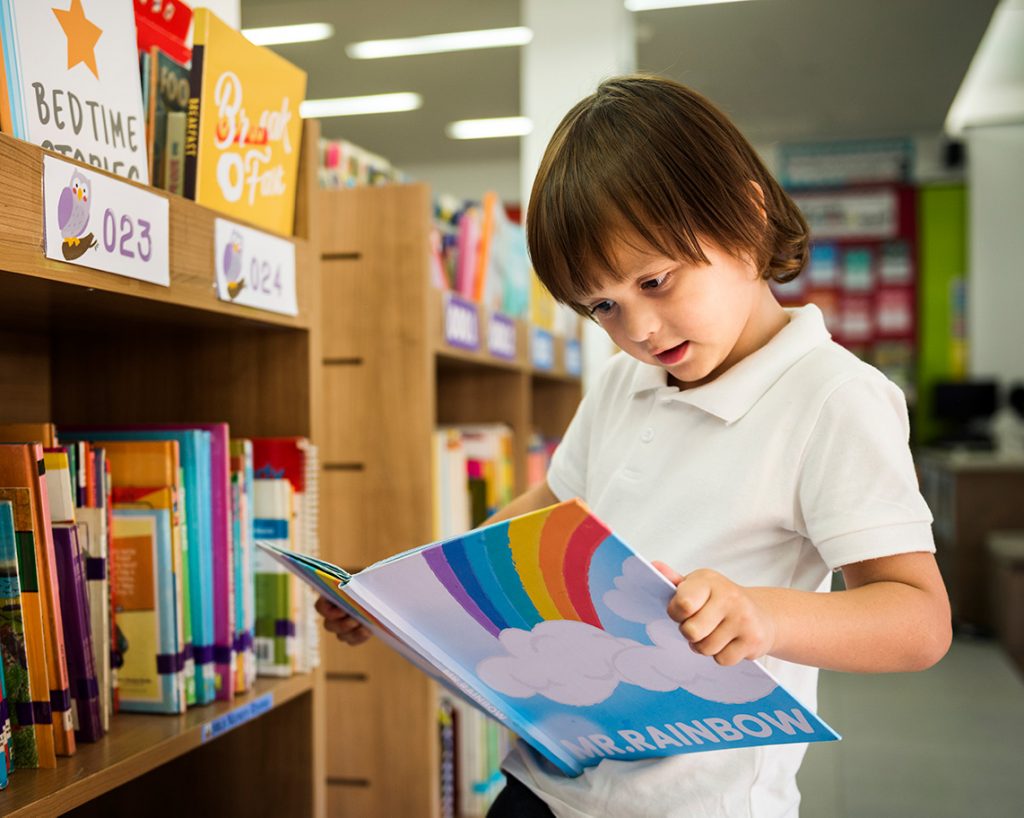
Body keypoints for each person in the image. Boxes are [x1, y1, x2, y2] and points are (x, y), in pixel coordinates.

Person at [316, 74, 952, 818]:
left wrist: (765, 617)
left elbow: (919, 622)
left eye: (656, 280)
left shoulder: (831, 397)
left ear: (747, 218)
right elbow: (545, 513)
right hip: (545, 778)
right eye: (604, 307)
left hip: (689, 804)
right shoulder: (627, 382)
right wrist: (412, 594)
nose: (640, 330)